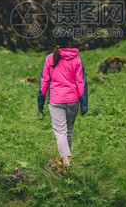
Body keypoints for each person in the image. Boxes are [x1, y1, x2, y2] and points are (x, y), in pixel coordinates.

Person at [38, 34, 88, 169]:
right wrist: (84, 104)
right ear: (70, 43)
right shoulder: (77, 60)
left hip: (55, 100)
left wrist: (40, 101)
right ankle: (67, 160)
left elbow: (44, 81)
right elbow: (80, 83)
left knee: (60, 132)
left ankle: (66, 161)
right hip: (73, 100)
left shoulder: (50, 58)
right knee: (68, 132)